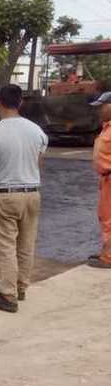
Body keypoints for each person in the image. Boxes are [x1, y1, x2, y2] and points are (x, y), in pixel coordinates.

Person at [0, 84, 48, 313]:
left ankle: (7, 294)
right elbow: (39, 164)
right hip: (32, 193)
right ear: (20, 103)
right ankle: (20, 286)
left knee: (5, 245)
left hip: (6, 196)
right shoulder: (37, 132)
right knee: (26, 243)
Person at [88, 92, 111, 268]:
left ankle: (109, 257)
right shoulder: (106, 128)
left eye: (102, 106)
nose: (98, 110)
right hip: (106, 179)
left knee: (109, 219)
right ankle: (106, 251)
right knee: (105, 217)